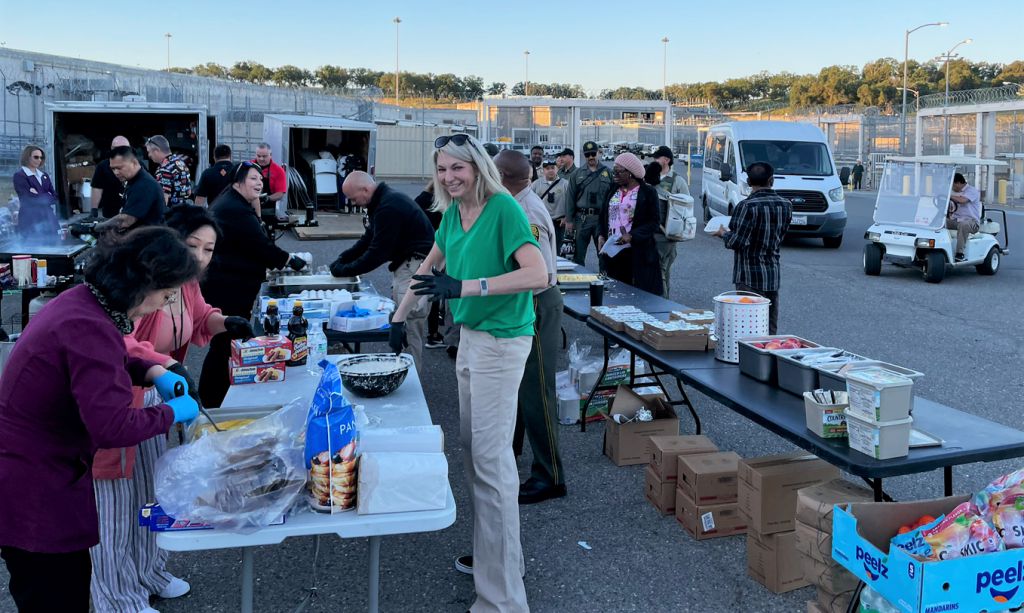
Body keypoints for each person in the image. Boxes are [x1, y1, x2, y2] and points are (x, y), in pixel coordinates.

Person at [0, 227, 199, 612]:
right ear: (143, 280)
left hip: (38, 468)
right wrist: (171, 412)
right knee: (56, 592)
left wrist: (149, 371)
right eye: (166, 293)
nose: (163, 304)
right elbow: (112, 427)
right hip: (35, 483)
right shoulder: (87, 324)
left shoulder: (84, 302)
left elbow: (100, 363)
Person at [389, 133, 547, 612]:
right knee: (473, 453)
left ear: (478, 167)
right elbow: (428, 269)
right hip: (473, 340)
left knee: (492, 463)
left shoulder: (503, 209)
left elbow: (537, 274)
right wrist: (398, 320)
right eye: (441, 169)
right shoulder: (453, 214)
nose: (449, 177)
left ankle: (501, 601)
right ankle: (498, 561)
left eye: (458, 168)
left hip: (503, 342)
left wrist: (467, 286)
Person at [90, 209, 253, 613]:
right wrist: (163, 365)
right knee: (115, 507)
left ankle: (149, 573)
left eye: (208, 249)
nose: (199, 256)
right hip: (119, 399)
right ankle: (114, 598)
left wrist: (224, 322)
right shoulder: (137, 287)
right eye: (191, 246)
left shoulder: (186, 284)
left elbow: (199, 318)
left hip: (158, 396)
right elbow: (118, 341)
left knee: (153, 494)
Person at [199, 162, 305, 408]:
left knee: (228, 342)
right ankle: (213, 399)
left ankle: (220, 395)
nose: (259, 183)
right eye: (253, 179)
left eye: (261, 179)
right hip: (228, 286)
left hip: (228, 282)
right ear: (237, 182)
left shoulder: (234, 203)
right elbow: (259, 244)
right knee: (225, 342)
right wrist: (290, 260)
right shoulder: (234, 208)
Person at [494, 150, 566, 507]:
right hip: (527, 303)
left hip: (536, 303)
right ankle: (513, 452)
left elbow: (538, 275)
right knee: (520, 386)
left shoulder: (526, 212)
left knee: (538, 392)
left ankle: (550, 476)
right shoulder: (517, 203)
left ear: (502, 176)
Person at [329, 171, 435, 374]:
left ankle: (410, 390)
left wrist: (344, 270)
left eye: (353, 198)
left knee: (408, 330)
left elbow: (377, 253)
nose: (352, 203)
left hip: (414, 268)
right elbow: (369, 237)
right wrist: (344, 257)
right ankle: (404, 379)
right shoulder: (382, 201)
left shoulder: (389, 206)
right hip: (410, 265)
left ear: (366, 189)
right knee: (403, 328)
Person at [713, 162, 792, 335]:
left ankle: (749, 361)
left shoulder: (746, 206)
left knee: (748, 327)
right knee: (770, 327)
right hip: (772, 273)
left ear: (748, 181)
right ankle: (770, 359)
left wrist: (722, 233)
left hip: (748, 275)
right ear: (772, 180)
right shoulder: (786, 205)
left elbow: (737, 242)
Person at [597, 152, 663, 296]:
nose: (614, 175)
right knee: (614, 293)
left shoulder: (647, 192)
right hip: (613, 251)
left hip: (636, 253)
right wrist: (601, 235)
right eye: (613, 171)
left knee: (636, 295)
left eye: (618, 172)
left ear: (631, 173)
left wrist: (632, 235)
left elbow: (654, 222)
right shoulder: (611, 190)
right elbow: (602, 216)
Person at [94, 146, 166, 233]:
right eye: (113, 169)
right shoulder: (133, 181)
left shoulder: (143, 186)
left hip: (149, 240)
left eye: (119, 168)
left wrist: (94, 227)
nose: (116, 172)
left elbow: (125, 221)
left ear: (134, 163)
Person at [565, 141, 614, 266]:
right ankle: (578, 281)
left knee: (603, 253)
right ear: (584, 155)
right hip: (582, 219)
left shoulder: (608, 173)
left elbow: (614, 197)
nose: (591, 157)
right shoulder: (576, 174)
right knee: (578, 254)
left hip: (601, 219)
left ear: (598, 153)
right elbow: (570, 197)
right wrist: (569, 220)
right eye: (587, 155)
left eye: (593, 154)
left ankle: (604, 280)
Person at [651, 145, 690, 298]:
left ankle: (663, 306)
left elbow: (686, 208)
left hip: (667, 235)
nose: (653, 160)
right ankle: (665, 304)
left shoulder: (677, 181)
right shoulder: (649, 177)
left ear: (666, 160)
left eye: (657, 158)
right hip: (652, 233)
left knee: (662, 271)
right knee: (662, 272)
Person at [414, 180, 447, 350]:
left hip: (417, 250)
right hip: (436, 249)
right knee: (436, 292)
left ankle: (423, 331)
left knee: (420, 290)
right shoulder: (443, 203)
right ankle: (433, 333)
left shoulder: (421, 198)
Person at [13, 144, 60, 239]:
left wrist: (38, 194)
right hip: (31, 220)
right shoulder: (19, 176)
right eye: (36, 157)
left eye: (41, 157)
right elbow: (28, 199)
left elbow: (55, 197)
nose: (39, 160)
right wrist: (46, 195)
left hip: (50, 220)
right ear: (27, 157)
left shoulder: (44, 175)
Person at [90, 136, 132, 219]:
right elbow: (97, 188)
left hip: (132, 210)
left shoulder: (137, 165)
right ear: (112, 148)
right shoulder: (103, 166)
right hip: (111, 212)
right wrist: (94, 209)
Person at [531, 160, 569, 250]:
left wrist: (566, 217)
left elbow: (570, 202)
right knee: (542, 249)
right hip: (542, 223)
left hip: (559, 223)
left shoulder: (564, 183)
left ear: (557, 169)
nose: (550, 170)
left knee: (558, 250)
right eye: (547, 168)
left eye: (553, 168)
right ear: (543, 170)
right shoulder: (536, 184)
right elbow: (530, 202)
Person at [146, 135, 192, 208]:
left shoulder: (165, 169)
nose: (149, 155)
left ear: (157, 150)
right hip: (184, 211)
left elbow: (163, 199)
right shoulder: (181, 163)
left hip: (171, 215)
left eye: (149, 152)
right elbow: (188, 192)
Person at [947, 172, 981, 262]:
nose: (951, 187)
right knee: (938, 222)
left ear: (958, 183)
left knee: (963, 225)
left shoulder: (972, 190)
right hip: (955, 219)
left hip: (971, 221)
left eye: (952, 185)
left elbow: (963, 200)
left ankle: (959, 253)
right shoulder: (954, 192)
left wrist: (948, 196)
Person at [252, 142, 287, 220]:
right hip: (249, 211)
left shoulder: (278, 170)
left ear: (270, 154)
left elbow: (280, 193)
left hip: (268, 211)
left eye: (264, 156)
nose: (261, 159)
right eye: (258, 156)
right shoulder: (247, 166)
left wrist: (267, 198)